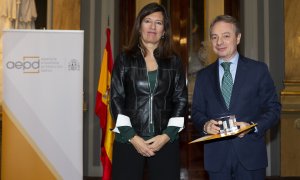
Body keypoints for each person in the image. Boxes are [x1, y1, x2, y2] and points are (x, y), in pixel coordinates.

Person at [191, 15, 281, 180]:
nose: (219, 42)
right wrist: (205, 124)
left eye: (226, 36)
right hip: (216, 158)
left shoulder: (258, 70)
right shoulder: (203, 76)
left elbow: (274, 109)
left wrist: (252, 127)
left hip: (250, 155)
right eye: (214, 37)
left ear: (238, 38)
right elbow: (196, 111)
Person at [110, 3, 187, 180]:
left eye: (158, 23)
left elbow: (180, 100)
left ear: (164, 30)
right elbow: (116, 99)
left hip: (165, 140)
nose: (152, 27)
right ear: (139, 26)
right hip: (128, 140)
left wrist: (167, 135)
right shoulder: (124, 59)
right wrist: (132, 137)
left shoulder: (174, 61)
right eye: (147, 21)